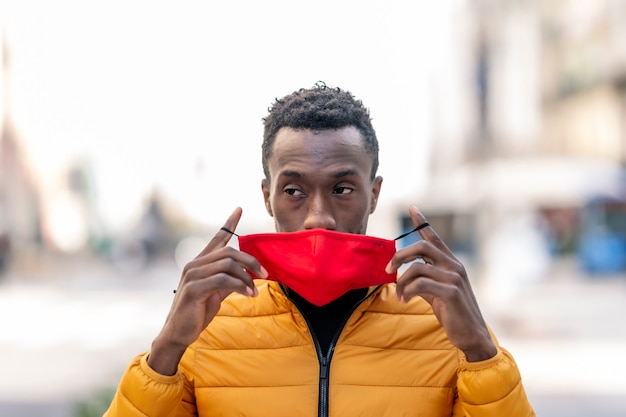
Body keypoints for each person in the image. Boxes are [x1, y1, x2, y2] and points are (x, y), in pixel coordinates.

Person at [104, 82, 535, 417]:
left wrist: (480, 350)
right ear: (267, 196)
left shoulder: (445, 323)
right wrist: (167, 349)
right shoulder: (208, 324)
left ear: (374, 195)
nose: (318, 218)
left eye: (342, 189)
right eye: (293, 190)